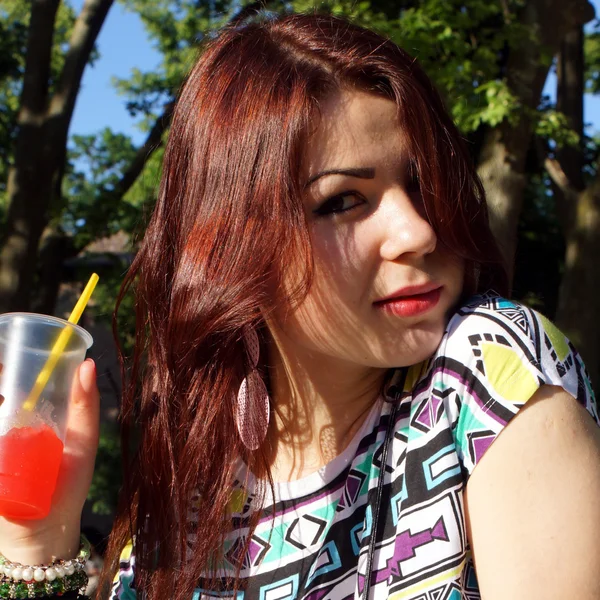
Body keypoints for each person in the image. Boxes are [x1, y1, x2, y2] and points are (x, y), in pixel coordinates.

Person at [2, 12, 600, 600]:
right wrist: (39, 544)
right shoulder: (193, 481)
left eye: (422, 181)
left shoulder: (488, 377)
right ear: (233, 248)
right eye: (342, 201)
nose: (417, 230)